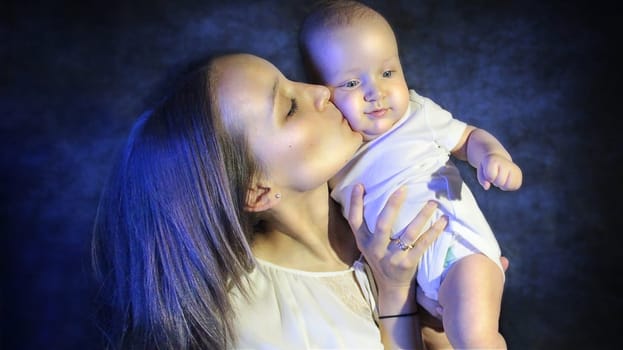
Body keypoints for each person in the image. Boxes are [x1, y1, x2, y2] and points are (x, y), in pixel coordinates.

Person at [91, 52, 452, 349]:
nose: (320, 91)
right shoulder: (256, 324)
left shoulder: (384, 191)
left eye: (293, 80)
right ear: (257, 191)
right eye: (290, 107)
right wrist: (396, 298)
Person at [299, 1, 523, 349]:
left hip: (456, 249)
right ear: (320, 92)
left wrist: (492, 155)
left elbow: (466, 138)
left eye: (388, 73)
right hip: (403, 281)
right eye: (353, 82)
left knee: (474, 337)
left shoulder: (417, 114)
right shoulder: (332, 151)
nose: (376, 92)